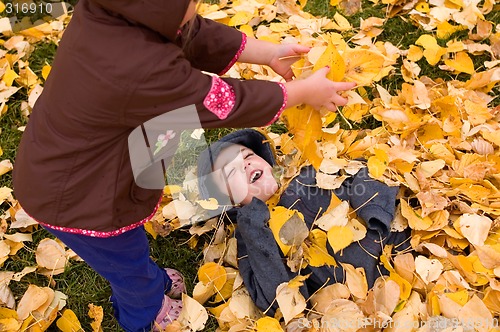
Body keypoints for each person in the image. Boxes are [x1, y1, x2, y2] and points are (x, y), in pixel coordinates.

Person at [12, 0, 356, 330]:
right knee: (125, 262)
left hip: (77, 164)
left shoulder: (112, 13)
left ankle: (147, 277)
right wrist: (298, 92)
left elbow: (194, 33)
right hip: (78, 199)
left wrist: (267, 53)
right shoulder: (139, 68)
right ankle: (145, 313)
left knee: (128, 252)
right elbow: (222, 102)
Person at [197, 129, 412, 316]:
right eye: (232, 171)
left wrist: (375, 211)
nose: (246, 165)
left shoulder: (306, 172)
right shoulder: (250, 236)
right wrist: (252, 225)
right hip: (364, 300)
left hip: (400, 241)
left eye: (248, 155)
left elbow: (368, 169)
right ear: (231, 203)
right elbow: (274, 301)